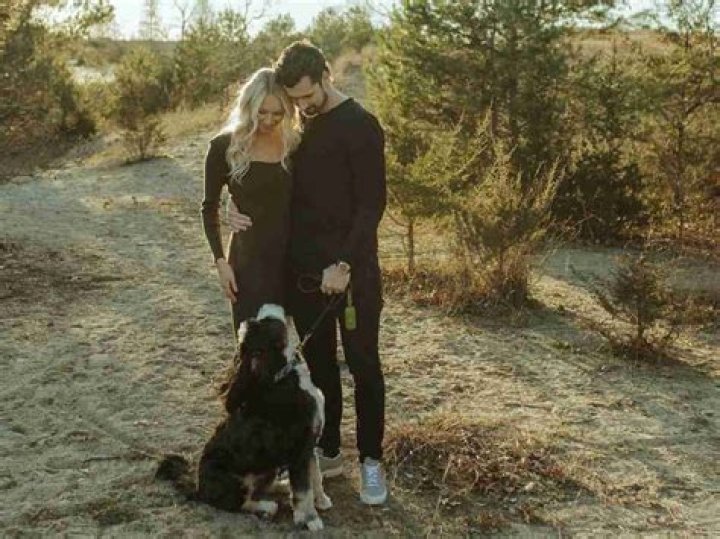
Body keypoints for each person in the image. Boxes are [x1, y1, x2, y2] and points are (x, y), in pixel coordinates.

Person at [228, 41, 388, 506]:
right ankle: (330, 450)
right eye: (294, 99)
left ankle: (371, 462)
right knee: (319, 369)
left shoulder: (360, 125)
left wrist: (345, 264)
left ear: (325, 76)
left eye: (307, 96)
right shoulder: (298, 129)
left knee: (364, 366)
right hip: (303, 277)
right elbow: (268, 185)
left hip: (353, 276)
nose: (301, 106)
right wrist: (232, 211)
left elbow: (372, 205)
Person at [201, 67, 300, 336]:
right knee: (253, 347)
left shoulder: (294, 144)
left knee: (298, 347)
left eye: (278, 113)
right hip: (249, 261)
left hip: (294, 257)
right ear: (248, 107)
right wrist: (221, 263)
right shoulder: (223, 146)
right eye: (262, 112)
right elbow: (209, 207)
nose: (269, 120)